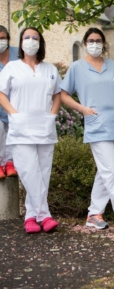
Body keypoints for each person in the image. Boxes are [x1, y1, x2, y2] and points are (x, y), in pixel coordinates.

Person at [60, 27, 114, 235]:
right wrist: (82, 109)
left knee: (105, 171)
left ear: (104, 44)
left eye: (98, 40)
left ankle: (93, 214)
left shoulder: (112, 65)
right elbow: (64, 95)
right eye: (91, 40)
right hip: (97, 124)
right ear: (84, 43)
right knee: (111, 172)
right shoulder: (77, 68)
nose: (95, 44)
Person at [0, 27, 61, 233]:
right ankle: (45, 214)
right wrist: (14, 115)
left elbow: (57, 95)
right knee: (29, 173)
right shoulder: (11, 68)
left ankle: (31, 217)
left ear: (41, 43)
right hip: (21, 129)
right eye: (26, 37)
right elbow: (1, 94)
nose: (31, 41)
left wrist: (52, 115)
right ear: (21, 42)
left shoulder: (50, 69)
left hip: (45, 128)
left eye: (35, 37)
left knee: (43, 173)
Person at [0, 25, 19, 179]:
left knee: (14, 131)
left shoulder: (19, 54)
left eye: (2, 38)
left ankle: (10, 163)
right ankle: (1, 164)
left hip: (17, 103)